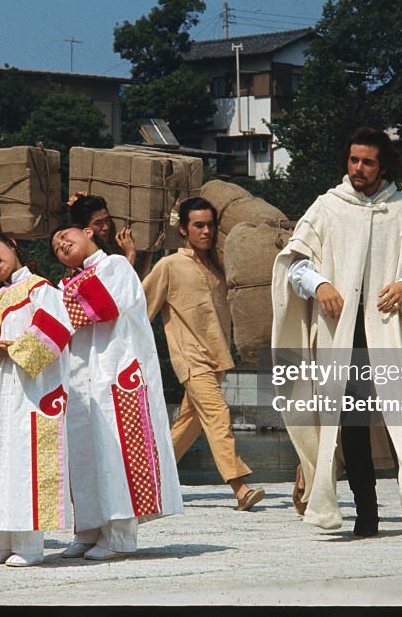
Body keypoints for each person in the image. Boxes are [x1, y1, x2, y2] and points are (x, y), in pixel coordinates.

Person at [271, 126, 402, 536]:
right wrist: (320, 285)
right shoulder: (328, 206)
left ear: (383, 166)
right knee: (352, 425)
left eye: (368, 162)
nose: (359, 168)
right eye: (353, 160)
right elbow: (295, 264)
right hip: (341, 335)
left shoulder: (401, 209)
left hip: (388, 330)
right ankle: (366, 516)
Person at [50, 224, 183, 561]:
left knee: (118, 454)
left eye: (66, 236)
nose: (61, 244)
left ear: (88, 232)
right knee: (84, 454)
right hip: (82, 380)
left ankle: (120, 536)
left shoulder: (115, 265)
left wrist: (50, 307)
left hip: (115, 371)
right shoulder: (64, 284)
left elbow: (101, 305)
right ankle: (88, 530)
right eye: (54, 246)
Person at [0, 231, 74, 567]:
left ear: (11, 245)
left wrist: (13, 350)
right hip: (1, 391)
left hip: (35, 389)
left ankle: (29, 545)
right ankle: (0, 541)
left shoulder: (40, 288)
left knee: (27, 462)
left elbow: (56, 327)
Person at [142, 197, 265, 511]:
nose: (206, 231)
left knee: (189, 423)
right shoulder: (169, 265)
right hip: (189, 358)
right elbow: (140, 309)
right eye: (198, 225)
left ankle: (148, 478)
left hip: (217, 357)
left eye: (210, 225)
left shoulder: (219, 268)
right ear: (183, 229)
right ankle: (240, 487)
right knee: (217, 415)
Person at [68, 192, 138, 267]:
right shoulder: (84, 259)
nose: (106, 227)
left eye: (107, 220)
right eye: (98, 223)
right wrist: (130, 253)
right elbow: (120, 278)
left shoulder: (109, 247)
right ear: (85, 229)